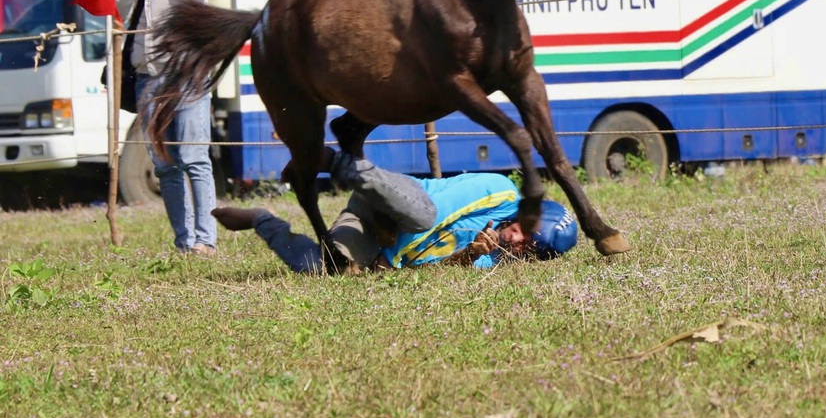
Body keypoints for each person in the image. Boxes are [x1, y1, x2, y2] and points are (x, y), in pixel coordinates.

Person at [212, 149, 579, 273]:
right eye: (523, 234)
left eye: (526, 250)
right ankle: (335, 160)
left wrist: (467, 257)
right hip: (393, 203)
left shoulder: (491, 259)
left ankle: (259, 218)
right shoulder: (500, 193)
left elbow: (435, 268)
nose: (515, 242)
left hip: (371, 230)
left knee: (323, 270)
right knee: (422, 216)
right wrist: (393, 262)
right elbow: (440, 216)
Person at [115, 0, 227, 254]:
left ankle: (206, 241)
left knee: (194, 157)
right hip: (149, 75)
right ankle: (184, 241)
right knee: (164, 165)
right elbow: (117, 8)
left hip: (188, 72)